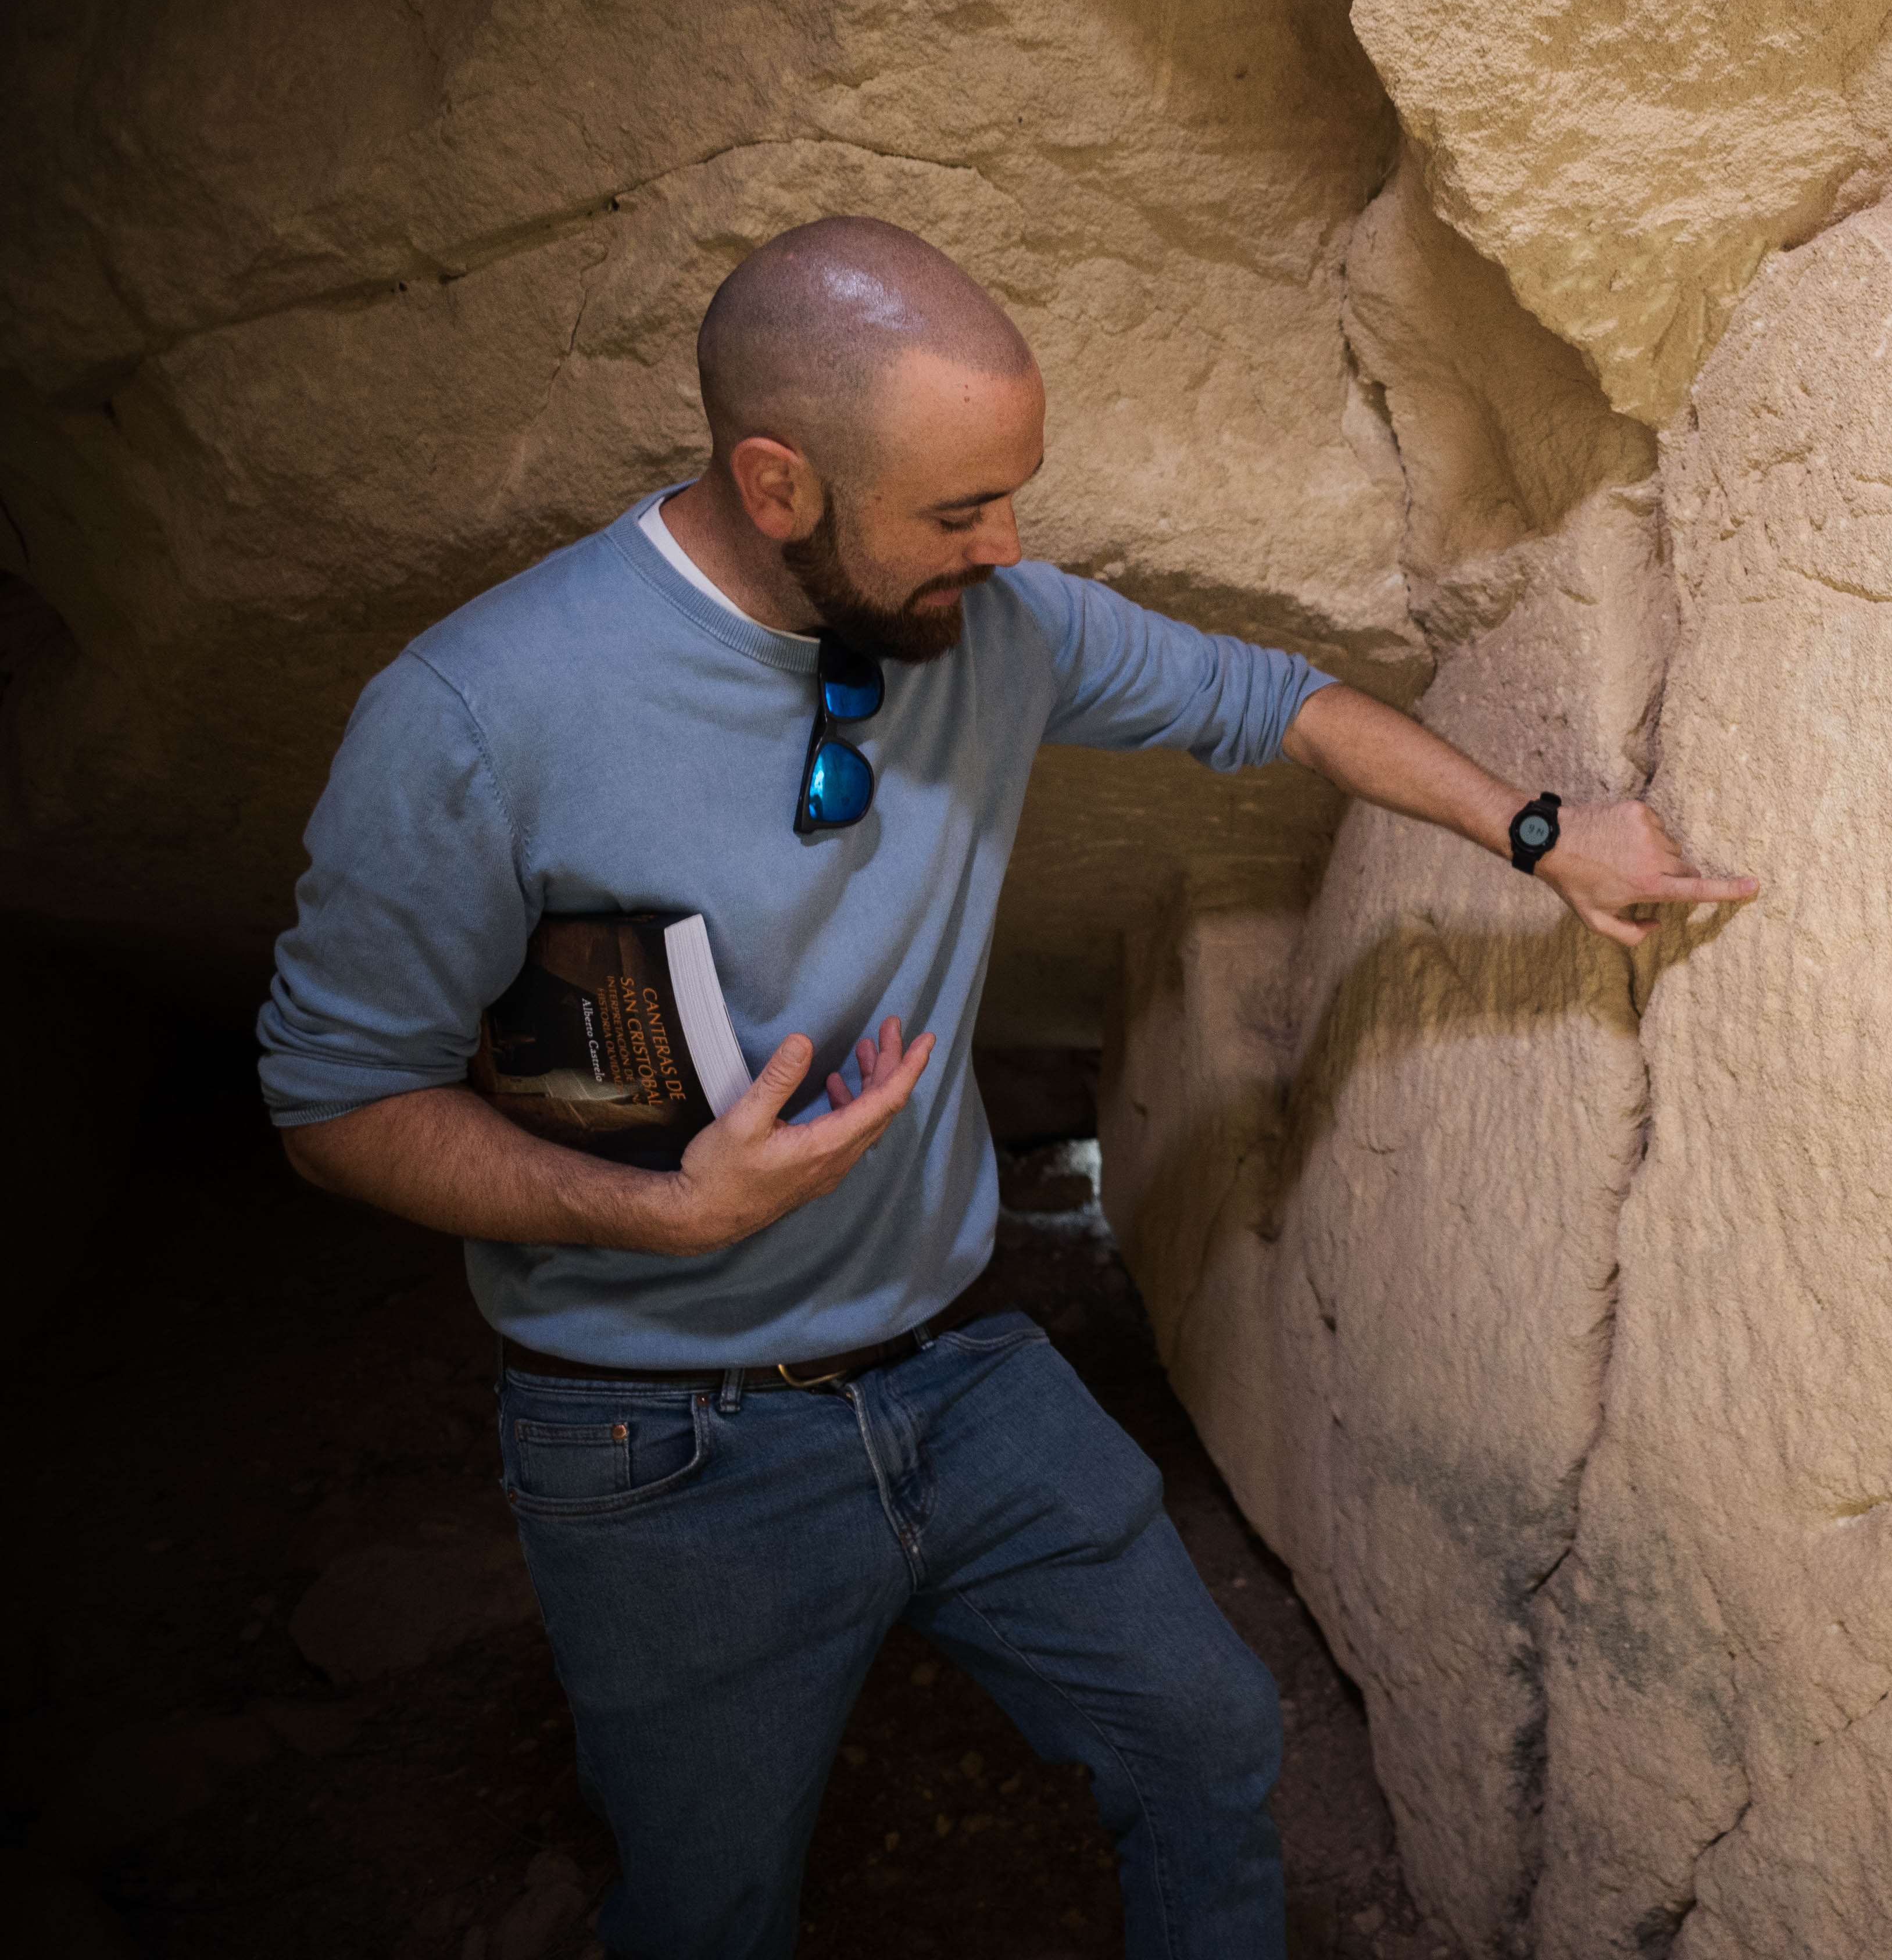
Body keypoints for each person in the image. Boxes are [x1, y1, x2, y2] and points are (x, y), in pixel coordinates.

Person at [258, 214, 1754, 1959]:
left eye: (1013, 497)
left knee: (1208, 1740)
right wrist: (664, 1208)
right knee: (711, 1907)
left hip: (960, 1364)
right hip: (662, 1435)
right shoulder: (473, 714)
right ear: (779, 482)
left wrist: (1541, 832)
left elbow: (1276, 701)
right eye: (959, 513)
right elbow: (337, 1105)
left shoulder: (998, 629)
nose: (1010, 547)